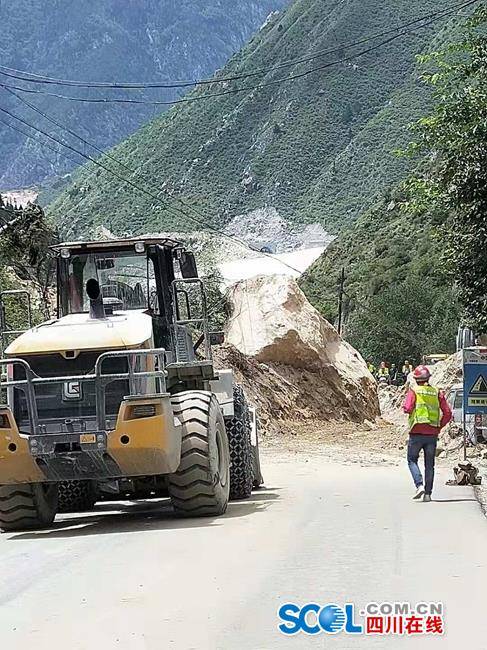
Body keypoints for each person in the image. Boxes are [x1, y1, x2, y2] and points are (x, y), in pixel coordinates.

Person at [403, 365, 452, 502]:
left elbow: (407, 408)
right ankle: (428, 494)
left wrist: (406, 409)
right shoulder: (437, 392)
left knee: (412, 460)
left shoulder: (414, 390)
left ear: (416, 379)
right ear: (428, 378)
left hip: (416, 432)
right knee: (429, 464)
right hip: (432, 434)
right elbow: (448, 413)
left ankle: (419, 485)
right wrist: (439, 426)